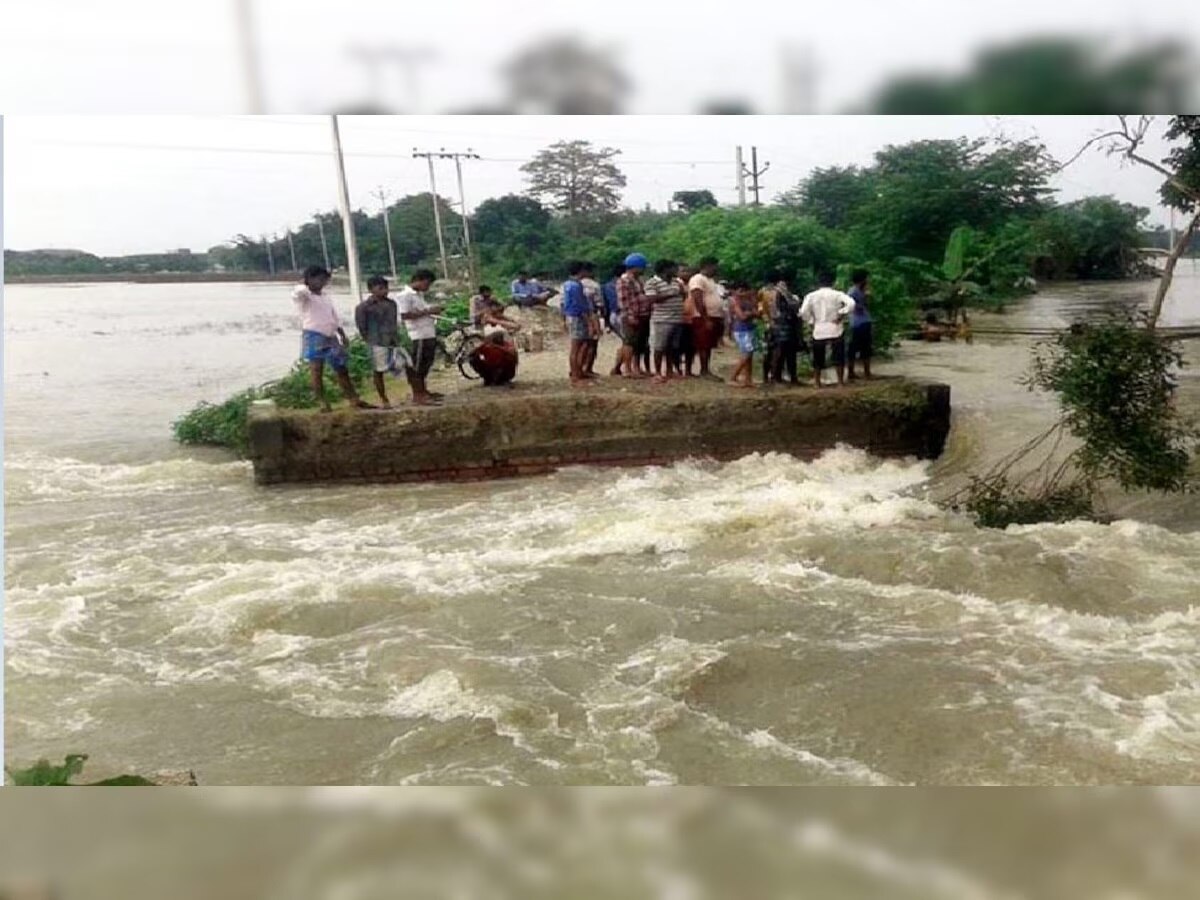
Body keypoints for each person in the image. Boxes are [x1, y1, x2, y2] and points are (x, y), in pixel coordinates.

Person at [292, 264, 374, 412]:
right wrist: (304, 283)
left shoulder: (325, 297)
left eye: (325, 280)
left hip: (331, 335)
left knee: (341, 368)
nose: (323, 283)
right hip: (314, 335)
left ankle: (353, 399)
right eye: (320, 279)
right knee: (317, 370)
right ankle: (322, 402)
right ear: (310, 279)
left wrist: (342, 334)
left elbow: (333, 317)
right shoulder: (305, 297)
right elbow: (298, 292)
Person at [355, 274, 409, 408]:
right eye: (380, 288)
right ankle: (384, 399)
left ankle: (416, 392)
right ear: (371, 290)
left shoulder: (391, 304)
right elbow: (362, 326)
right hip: (376, 341)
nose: (385, 291)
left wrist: (396, 338)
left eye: (386, 288)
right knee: (378, 372)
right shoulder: (364, 307)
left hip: (393, 341)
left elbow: (394, 323)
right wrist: (369, 340)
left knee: (407, 364)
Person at [799, 269, 857, 388]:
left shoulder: (811, 296)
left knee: (818, 356)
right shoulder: (837, 294)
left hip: (819, 328)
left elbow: (803, 312)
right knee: (838, 355)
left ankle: (817, 382)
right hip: (835, 326)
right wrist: (841, 313)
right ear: (833, 281)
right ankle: (840, 382)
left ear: (818, 282)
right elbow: (851, 304)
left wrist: (811, 321)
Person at [396, 268, 444, 405]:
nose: (428, 287)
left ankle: (423, 390)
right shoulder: (405, 295)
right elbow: (405, 315)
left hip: (428, 332)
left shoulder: (418, 295)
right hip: (418, 334)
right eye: (427, 284)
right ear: (419, 280)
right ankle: (418, 394)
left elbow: (422, 311)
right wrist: (428, 311)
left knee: (426, 364)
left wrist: (432, 311)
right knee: (417, 365)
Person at [645, 259, 686, 383]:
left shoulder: (676, 282)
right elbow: (651, 299)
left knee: (672, 347)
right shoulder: (652, 282)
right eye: (674, 268)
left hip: (677, 318)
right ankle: (657, 372)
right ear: (666, 269)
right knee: (659, 347)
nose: (676, 271)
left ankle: (669, 370)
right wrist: (672, 295)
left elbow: (683, 295)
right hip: (662, 319)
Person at [562, 260, 599, 386]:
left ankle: (577, 372)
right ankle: (575, 376)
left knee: (578, 346)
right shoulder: (576, 286)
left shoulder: (567, 284)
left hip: (571, 316)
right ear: (581, 271)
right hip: (578, 317)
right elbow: (581, 306)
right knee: (576, 347)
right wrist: (590, 323)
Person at [688, 256, 723, 380]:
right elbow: (698, 299)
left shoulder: (711, 281)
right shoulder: (698, 279)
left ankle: (706, 369)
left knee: (709, 345)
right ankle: (703, 371)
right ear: (707, 266)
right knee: (703, 344)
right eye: (715, 266)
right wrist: (705, 318)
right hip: (703, 317)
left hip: (714, 316)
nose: (716, 269)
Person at [616, 253, 651, 378]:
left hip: (642, 315)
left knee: (639, 343)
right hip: (631, 316)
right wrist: (630, 316)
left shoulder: (638, 281)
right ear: (635, 267)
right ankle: (627, 369)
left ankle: (637, 368)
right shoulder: (624, 281)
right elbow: (624, 301)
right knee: (629, 342)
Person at [764, 273, 801, 385]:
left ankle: (785, 377)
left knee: (786, 351)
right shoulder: (780, 291)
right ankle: (776, 377)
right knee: (780, 351)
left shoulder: (774, 291)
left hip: (782, 324)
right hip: (781, 324)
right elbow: (792, 305)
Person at [727, 282, 759, 388]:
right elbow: (742, 316)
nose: (743, 293)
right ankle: (733, 377)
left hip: (749, 329)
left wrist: (751, 313)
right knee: (747, 354)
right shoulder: (735, 302)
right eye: (740, 291)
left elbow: (757, 313)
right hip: (741, 330)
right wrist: (751, 313)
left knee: (750, 355)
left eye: (745, 291)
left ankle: (748, 379)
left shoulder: (748, 301)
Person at [846, 268, 873, 380]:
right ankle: (852, 373)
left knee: (865, 348)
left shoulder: (859, 291)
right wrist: (865, 299)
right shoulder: (853, 291)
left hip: (862, 322)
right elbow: (855, 307)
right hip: (858, 323)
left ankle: (866, 372)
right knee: (855, 348)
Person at [580, 261, 604, 377]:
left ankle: (577, 368)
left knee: (579, 344)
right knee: (592, 344)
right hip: (592, 316)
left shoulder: (573, 284)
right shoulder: (594, 285)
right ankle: (587, 368)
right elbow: (599, 304)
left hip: (577, 317)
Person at [604, 264, 625, 376]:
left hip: (613, 315)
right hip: (622, 314)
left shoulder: (607, 286)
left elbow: (605, 305)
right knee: (628, 342)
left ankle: (619, 367)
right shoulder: (624, 284)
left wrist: (607, 323)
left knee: (626, 341)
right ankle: (618, 367)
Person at [676, 264, 697, 376]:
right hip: (678, 319)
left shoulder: (694, 284)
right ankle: (677, 369)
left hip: (692, 319)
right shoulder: (675, 284)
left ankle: (688, 370)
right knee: (677, 346)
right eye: (683, 271)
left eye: (688, 271)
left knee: (691, 346)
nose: (686, 273)